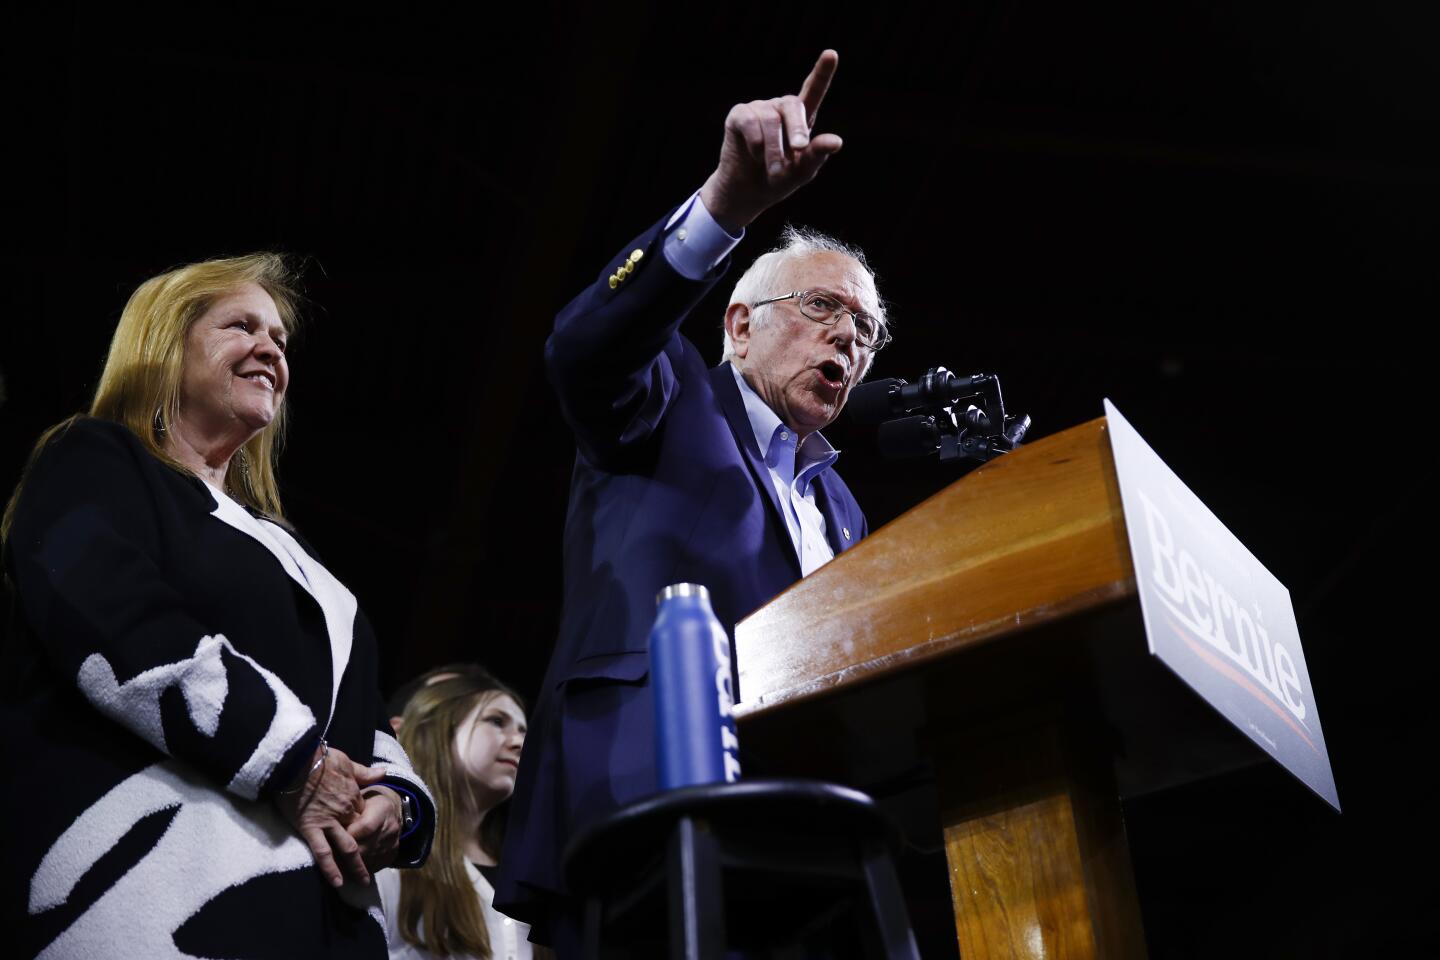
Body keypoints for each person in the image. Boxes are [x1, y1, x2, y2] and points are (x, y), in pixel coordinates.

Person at [496, 50, 890, 952]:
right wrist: (728, 205)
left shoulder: (842, 506)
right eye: (825, 309)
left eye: (865, 332)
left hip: (802, 839)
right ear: (740, 324)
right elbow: (581, 346)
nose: (848, 341)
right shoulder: (666, 394)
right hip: (640, 798)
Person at [1, 253, 435, 958]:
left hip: (320, 920)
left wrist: (397, 805)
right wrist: (295, 764)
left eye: (281, 341)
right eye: (242, 326)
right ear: (164, 344)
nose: (271, 349)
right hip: (152, 902)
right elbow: (113, 620)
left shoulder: (298, 556)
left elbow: (361, 715)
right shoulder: (93, 459)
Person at [378, 672, 535, 960]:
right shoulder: (387, 851)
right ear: (434, 729)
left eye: (524, 731)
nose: (518, 742)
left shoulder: (529, 876)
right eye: (497, 721)